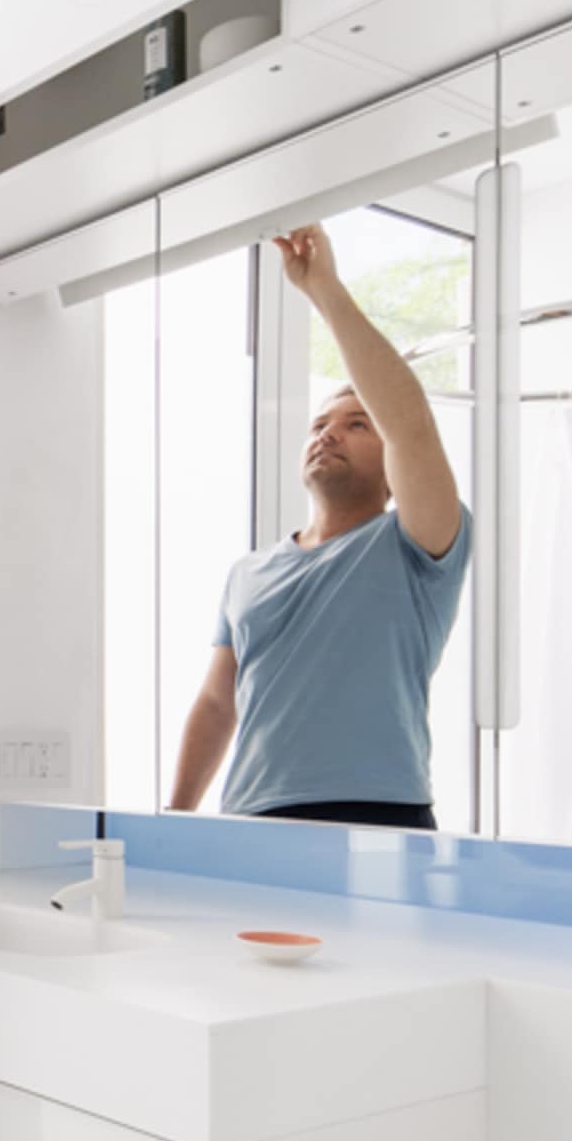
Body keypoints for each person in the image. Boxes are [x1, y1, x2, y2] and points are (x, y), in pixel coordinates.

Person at [168, 223, 470, 826]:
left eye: (357, 424)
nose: (328, 431)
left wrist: (324, 290)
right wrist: (172, 818)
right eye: (319, 424)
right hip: (252, 815)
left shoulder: (417, 543)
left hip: (380, 814)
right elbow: (216, 702)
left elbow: (410, 426)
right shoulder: (247, 572)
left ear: (393, 467)